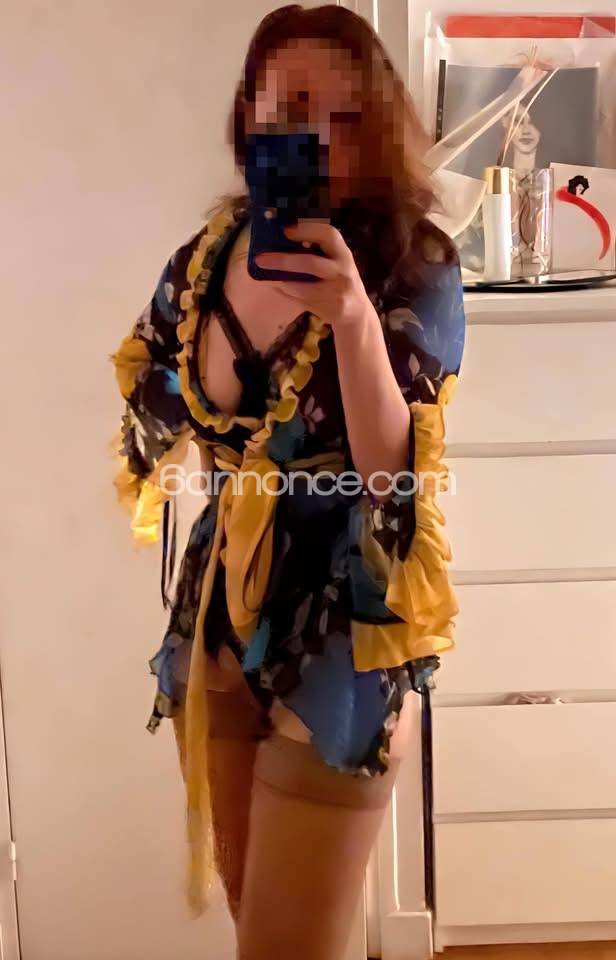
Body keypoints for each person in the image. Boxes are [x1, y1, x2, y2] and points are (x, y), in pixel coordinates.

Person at [111, 5, 465, 959]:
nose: (323, 138)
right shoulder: (209, 259)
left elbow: (394, 480)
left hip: (345, 631)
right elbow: (159, 408)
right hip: (223, 623)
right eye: (296, 110)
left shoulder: (416, 267)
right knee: (256, 933)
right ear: (251, 115)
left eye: (348, 116)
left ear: (380, 127)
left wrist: (352, 319)